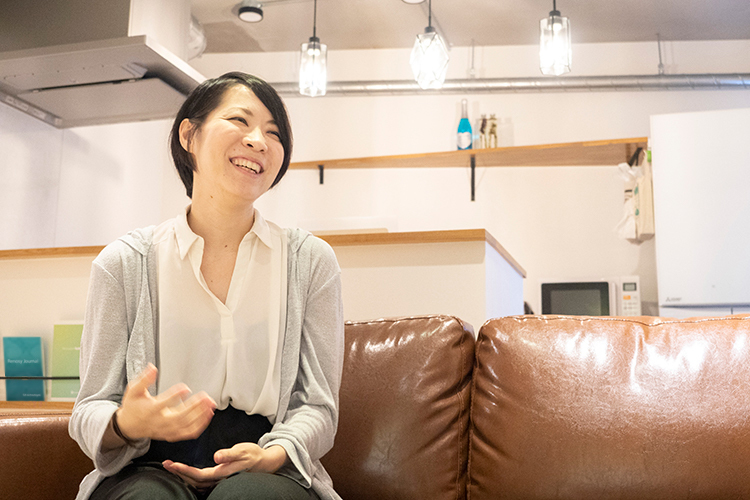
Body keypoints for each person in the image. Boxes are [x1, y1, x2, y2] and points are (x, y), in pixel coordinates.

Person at [69, 72, 344, 500]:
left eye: (274, 134)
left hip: (267, 465)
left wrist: (275, 453)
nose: (258, 141)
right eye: (240, 120)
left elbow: (318, 406)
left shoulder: (310, 262)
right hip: (147, 466)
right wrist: (125, 423)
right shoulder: (123, 263)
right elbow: (89, 408)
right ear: (189, 135)